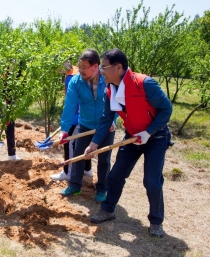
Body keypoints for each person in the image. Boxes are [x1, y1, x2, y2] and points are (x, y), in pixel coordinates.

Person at [85, 48, 173, 238]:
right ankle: (107, 210)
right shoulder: (110, 90)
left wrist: (149, 132)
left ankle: (156, 222)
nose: (101, 71)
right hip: (132, 137)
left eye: (104, 67)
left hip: (156, 137)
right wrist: (94, 144)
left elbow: (166, 109)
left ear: (118, 67)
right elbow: (106, 119)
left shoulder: (145, 84)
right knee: (115, 175)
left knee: (151, 181)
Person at [57, 49, 116, 202]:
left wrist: (113, 121)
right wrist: (64, 129)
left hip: (105, 125)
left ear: (95, 67)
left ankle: (102, 188)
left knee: (104, 158)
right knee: (79, 155)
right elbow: (69, 106)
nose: (80, 70)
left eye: (84, 67)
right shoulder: (76, 82)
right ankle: (75, 185)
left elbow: (117, 102)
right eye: (79, 66)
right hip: (85, 123)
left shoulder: (108, 79)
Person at [51, 61, 92, 181]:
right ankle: (87, 170)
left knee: (69, 143)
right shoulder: (76, 72)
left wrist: (69, 122)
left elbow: (72, 103)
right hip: (85, 116)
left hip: (76, 117)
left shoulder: (71, 78)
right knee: (84, 143)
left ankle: (67, 173)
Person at [0, 61, 21, 167]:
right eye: (11, 63)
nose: (13, 67)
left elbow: (16, 95)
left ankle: (12, 154)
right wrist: (0, 105)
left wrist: (11, 107)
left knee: (10, 130)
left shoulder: (16, 79)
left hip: (9, 107)